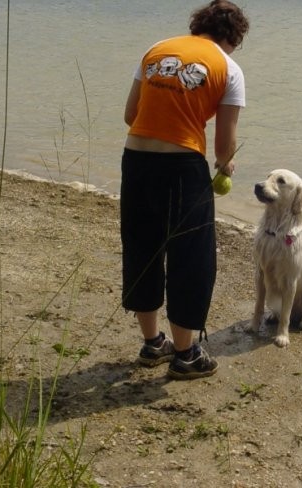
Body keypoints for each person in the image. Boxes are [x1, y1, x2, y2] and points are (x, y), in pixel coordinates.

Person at [120, 0, 249, 380]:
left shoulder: (155, 50)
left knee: (142, 247)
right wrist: (227, 166)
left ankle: (152, 343)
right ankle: (186, 353)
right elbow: (225, 145)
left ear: (197, 26)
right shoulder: (229, 68)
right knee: (191, 257)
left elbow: (131, 115)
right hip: (182, 169)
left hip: (136, 159)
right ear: (234, 38)